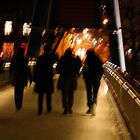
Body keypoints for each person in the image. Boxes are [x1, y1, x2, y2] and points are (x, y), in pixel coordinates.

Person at [56, 48, 80, 114]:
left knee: (64, 94)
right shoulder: (74, 60)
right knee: (71, 94)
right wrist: (76, 74)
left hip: (63, 78)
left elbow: (58, 69)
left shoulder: (62, 59)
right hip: (71, 79)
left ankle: (65, 107)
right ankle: (70, 107)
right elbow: (77, 69)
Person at [33, 46, 54, 115]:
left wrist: (35, 77)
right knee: (48, 94)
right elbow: (51, 70)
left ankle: (40, 109)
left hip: (41, 78)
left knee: (41, 94)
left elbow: (36, 68)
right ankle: (49, 107)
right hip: (47, 78)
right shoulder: (50, 59)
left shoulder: (40, 58)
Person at [83, 49, 103, 115]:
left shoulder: (87, 60)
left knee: (89, 93)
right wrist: (99, 77)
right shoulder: (98, 60)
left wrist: (85, 76)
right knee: (95, 93)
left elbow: (85, 69)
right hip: (96, 79)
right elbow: (101, 69)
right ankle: (94, 103)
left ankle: (90, 107)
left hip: (88, 79)